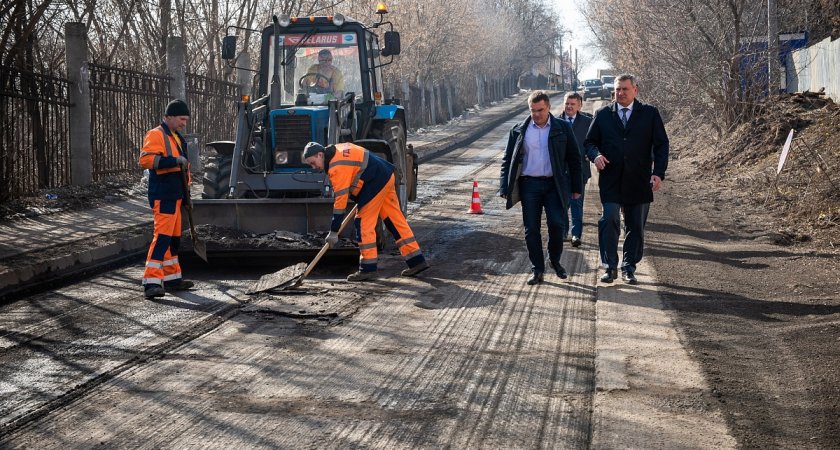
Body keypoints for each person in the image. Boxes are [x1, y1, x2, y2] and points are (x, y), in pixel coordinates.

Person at [584, 74, 669, 284]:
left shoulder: (649, 114)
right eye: (617, 90)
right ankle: (609, 266)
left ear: (635, 90)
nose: (620, 93)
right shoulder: (603, 114)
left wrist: (658, 172)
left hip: (639, 179)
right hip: (611, 179)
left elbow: (661, 145)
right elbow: (589, 142)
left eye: (624, 89)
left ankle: (629, 267)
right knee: (610, 218)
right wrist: (596, 155)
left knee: (635, 226)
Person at [303, 141, 429, 281]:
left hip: (374, 183)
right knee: (394, 221)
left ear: (320, 154)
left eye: (313, 163)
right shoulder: (338, 149)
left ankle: (368, 269)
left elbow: (340, 201)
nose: (314, 167)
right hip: (386, 176)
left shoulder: (337, 167)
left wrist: (333, 231)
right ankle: (417, 260)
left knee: (363, 223)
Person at [499, 90, 583, 285]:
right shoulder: (519, 130)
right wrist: (505, 185)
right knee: (531, 229)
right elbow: (507, 159)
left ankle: (554, 260)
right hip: (529, 185)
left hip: (554, 185)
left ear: (549, 108)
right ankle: (537, 269)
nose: (536, 114)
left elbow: (574, 158)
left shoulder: (561, 128)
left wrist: (576, 186)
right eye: (532, 110)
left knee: (556, 224)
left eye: (540, 110)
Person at [138, 99, 195, 298]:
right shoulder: (157, 134)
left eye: (186, 119)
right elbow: (145, 160)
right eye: (181, 119)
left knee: (173, 239)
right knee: (162, 237)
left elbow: (184, 170)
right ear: (168, 117)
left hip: (177, 195)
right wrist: (174, 160)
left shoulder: (177, 137)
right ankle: (151, 282)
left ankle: (172, 279)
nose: (184, 123)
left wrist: (187, 196)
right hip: (164, 195)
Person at [560, 92, 593, 248]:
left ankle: (576, 235)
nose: (569, 107)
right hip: (559, 171)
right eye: (567, 103)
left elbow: (595, 142)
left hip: (579, 170)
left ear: (580, 105)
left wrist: (591, 153)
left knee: (576, 203)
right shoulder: (555, 122)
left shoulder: (588, 122)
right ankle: (563, 232)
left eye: (573, 104)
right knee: (561, 203)